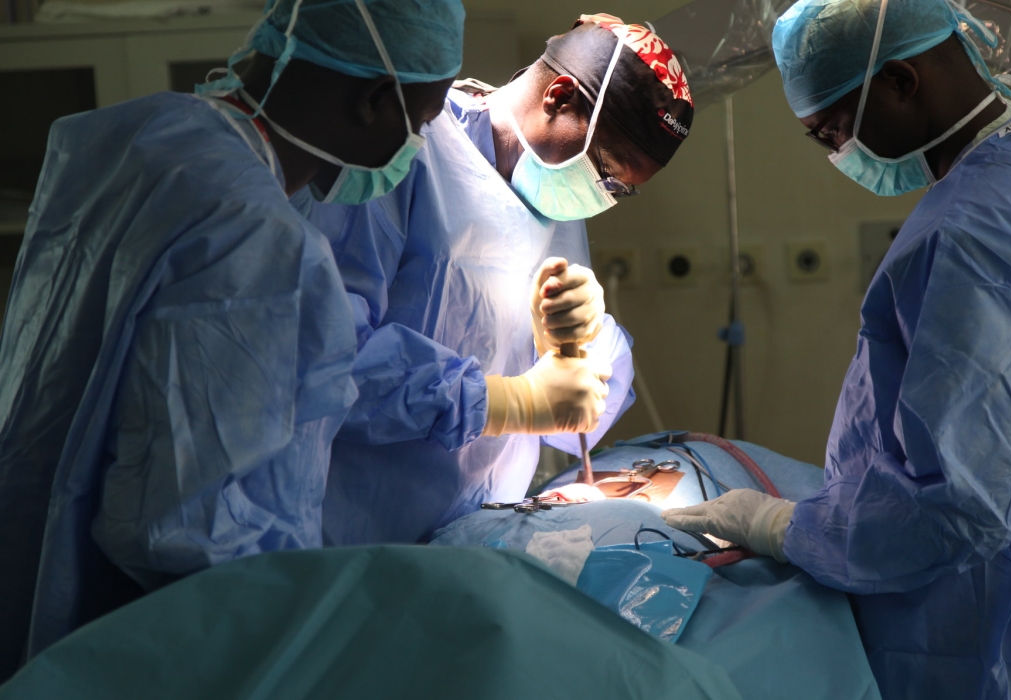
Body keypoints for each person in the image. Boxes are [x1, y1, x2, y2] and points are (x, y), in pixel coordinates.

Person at [662, 1, 1011, 698]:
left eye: (832, 130)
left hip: (1003, 639)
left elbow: (964, 505)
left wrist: (782, 527)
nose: (837, 151)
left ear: (902, 80)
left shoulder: (967, 236)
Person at [0, 0, 463, 680]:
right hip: (147, 653)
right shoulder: (256, 242)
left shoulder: (142, 138)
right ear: (372, 102)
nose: (415, 150)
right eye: (421, 124)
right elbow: (195, 538)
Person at [292, 14, 694, 545]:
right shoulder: (404, 154)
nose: (605, 194)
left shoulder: (555, 189)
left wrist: (586, 348)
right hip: (356, 535)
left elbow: (570, 420)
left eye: (622, 189)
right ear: (560, 96)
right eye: (609, 172)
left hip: (481, 533)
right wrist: (510, 401)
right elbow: (321, 359)